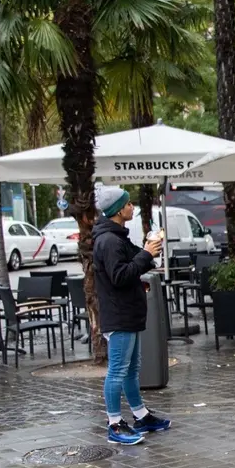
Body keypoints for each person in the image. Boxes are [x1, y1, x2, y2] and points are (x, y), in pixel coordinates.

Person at [92, 185, 170, 446]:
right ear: (116, 210)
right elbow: (119, 276)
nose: (131, 207)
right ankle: (114, 423)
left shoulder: (117, 237)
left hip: (128, 312)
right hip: (120, 314)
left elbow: (131, 264)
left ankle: (140, 415)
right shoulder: (109, 241)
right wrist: (146, 254)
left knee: (130, 370)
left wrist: (148, 253)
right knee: (117, 371)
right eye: (126, 204)